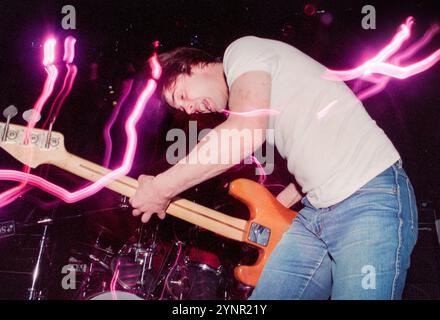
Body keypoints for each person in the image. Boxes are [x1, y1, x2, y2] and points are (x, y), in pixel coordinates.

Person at [129, 36, 418, 299]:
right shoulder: (265, 95)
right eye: (182, 109)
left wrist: (161, 187)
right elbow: (313, 150)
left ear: (195, 64)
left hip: (368, 198)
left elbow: (244, 131)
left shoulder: (241, 51)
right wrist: (277, 208)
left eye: (181, 96)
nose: (189, 110)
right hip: (315, 216)